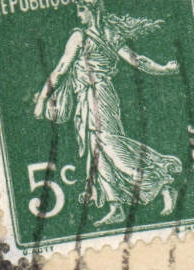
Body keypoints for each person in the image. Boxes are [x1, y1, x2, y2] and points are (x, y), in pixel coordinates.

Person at [34, 0, 184, 227]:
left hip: (99, 96)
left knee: (112, 147)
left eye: (81, 9)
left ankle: (161, 183)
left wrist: (42, 100)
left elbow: (62, 68)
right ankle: (116, 208)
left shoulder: (83, 37)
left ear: (93, 10)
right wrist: (164, 69)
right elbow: (137, 61)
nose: (79, 15)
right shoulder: (105, 34)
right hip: (89, 97)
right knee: (98, 153)